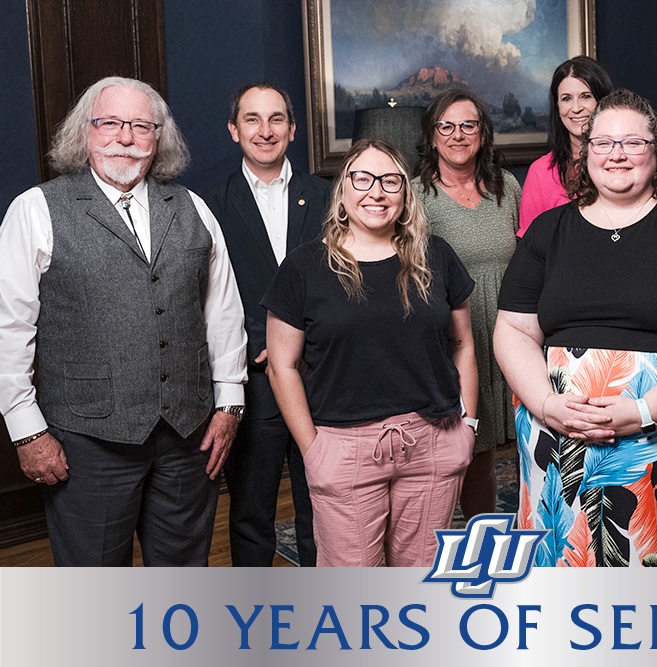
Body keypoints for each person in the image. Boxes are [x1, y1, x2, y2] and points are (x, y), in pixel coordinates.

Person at [495, 89, 657, 567]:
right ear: (586, 151)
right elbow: (513, 329)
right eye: (603, 143)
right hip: (560, 439)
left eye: (633, 143)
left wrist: (642, 410)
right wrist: (546, 404)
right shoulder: (549, 231)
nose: (617, 154)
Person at [0, 76, 247, 566]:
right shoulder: (36, 209)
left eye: (141, 125)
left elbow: (222, 312)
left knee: (182, 578)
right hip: (87, 442)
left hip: (187, 435)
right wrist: (27, 430)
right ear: (85, 132)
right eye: (109, 123)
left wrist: (231, 403)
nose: (125, 137)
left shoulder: (193, 208)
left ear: (160, 138)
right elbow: (9, 329)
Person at [263, 138, 478, 567]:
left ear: (405, 194)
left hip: (432, 439)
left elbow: (464, 344)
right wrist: (312, 449)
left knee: (421, 579)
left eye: (389, 181)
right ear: (342, 191)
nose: (375, 192)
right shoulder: (305, 267)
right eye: (362, 179)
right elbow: (281, 365)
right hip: (344, 449)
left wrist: (468, 425)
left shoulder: (437, 257)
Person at [203, 82, 327, 567]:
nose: (265, 130)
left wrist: (300, 341)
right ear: (234, 130)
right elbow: (209, 294)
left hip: (321, 374)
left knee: (322, 507)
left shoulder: (328, 195)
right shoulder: (209, 204)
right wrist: (267, 344)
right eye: (252, 119)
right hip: (252, 383)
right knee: (251, 515)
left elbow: (346, 275)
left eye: (276, 119)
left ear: (292, 130)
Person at [414, 89, 519, 519]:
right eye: (447, 126)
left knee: (494, 456)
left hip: (509, 336)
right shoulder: (416, 195)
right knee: (458, 456)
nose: (458, 135)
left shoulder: (507, 187)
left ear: (483, 133)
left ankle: (485, 546)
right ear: (432, 136)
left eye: (468, 125)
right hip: (452, 341)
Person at [518, 56, 613, 237]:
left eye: (585, 96)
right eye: (566, 98)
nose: (576, 108)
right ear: (558, 106)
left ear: (602, 100)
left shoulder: (623, 163)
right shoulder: (541, 172)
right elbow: (531, 251)